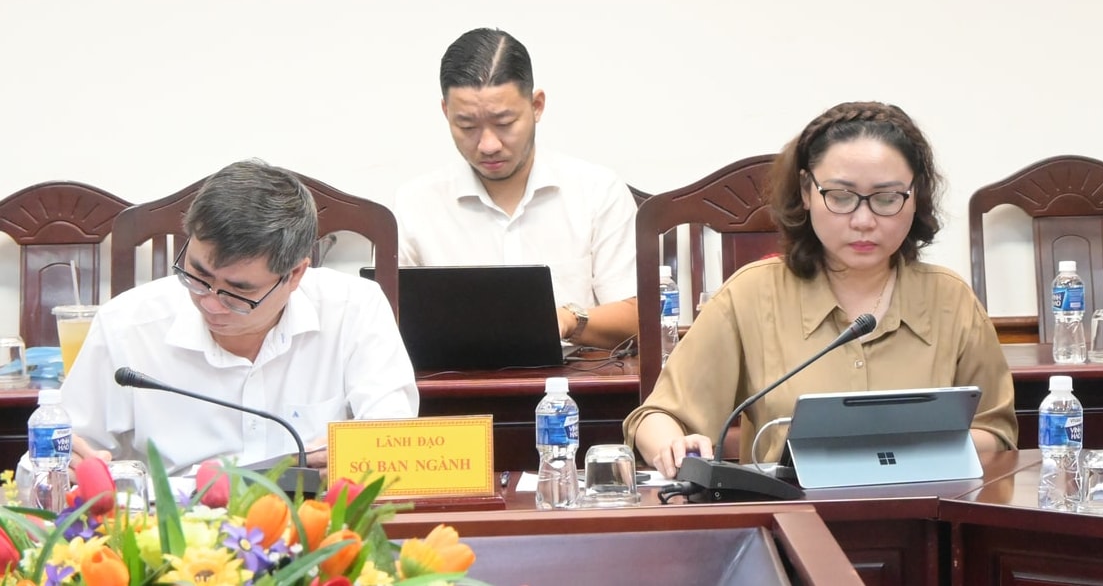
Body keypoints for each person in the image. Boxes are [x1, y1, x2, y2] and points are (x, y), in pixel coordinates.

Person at [626, 101, 1017, 477]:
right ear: (806, 191)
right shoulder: (751, 296)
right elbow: (657, 418)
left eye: (886, 199)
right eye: (841, 197)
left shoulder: (951, 300)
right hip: (790, 513)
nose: (863, 220)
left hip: (924, 514)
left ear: (915, 197)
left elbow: (997, 435)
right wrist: (672, 444)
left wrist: (905, 451)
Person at [61, 159, 417, 475]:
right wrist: (67, 458)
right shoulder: (126, 325)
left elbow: (393, 439)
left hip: (314, 517)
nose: (211, 304)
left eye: (238, 292)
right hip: (176, 521)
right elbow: (63, 448)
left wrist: (354, 458)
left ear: (295, 274)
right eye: (197, 276)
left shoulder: (354, 309)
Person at [393, 28, 639, 350]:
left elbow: (638, 316)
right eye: (467, 126)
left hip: (577, 377)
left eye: (504, 123)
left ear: (536, 106)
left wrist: (566, 320)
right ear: (446, 113)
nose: (488, 145)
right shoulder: (416, 204)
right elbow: (385, 323)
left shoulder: (597, 191)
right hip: (455, 379)